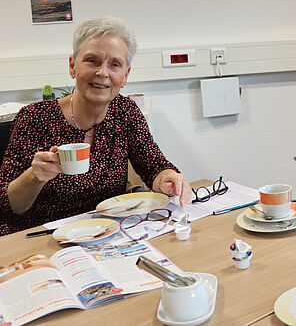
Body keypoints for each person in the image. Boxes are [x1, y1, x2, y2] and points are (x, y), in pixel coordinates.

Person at [0, 17, 192, 236]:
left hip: (105, 235)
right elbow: (8, 207)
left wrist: (167, 178)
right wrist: (34, 176)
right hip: (39, 239)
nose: (103, 73)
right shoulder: (35, 119)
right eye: (92, 60)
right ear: (72, 66)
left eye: (115, 64)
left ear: (125, 75)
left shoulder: (125, 112)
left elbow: (154, 167)